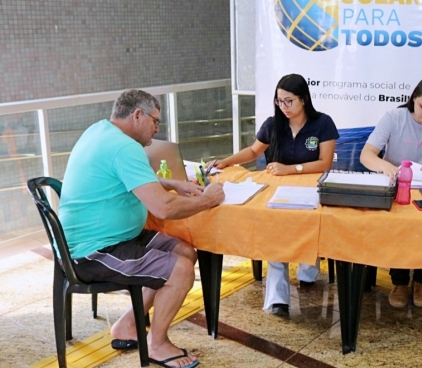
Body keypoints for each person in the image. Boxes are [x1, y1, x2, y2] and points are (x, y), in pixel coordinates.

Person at [58, 90, 225, 368]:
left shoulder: (100, 131)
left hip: (116, 237)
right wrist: (208, 200)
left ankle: (127, 325)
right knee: (180, 269)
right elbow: (164, 209)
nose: (157, 129)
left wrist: (172, 184)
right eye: (155, 121)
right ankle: (157, 345)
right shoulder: (124, 147)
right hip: (93, 251)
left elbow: (128, 175)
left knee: (186, 250)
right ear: (137, 115)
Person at [214, 73, 339, 316]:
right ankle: (277, 299)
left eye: (289, 101)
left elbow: (325, 163)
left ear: (303, 99)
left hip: (310, 189)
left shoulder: (322, 123)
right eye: (279, 101)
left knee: (307, 227)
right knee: (275, 234)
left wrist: (291, 169)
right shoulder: (273, 124)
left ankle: (307, 271)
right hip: (277, 191)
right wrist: (225, 162)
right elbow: (252, 151)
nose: (284, 107)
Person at [359, 76, 422, 309]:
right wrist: (385, 166)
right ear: (413, 98)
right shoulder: (394, 118)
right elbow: (366, 155)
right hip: (396, 187)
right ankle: (399, 281)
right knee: (400, 225)